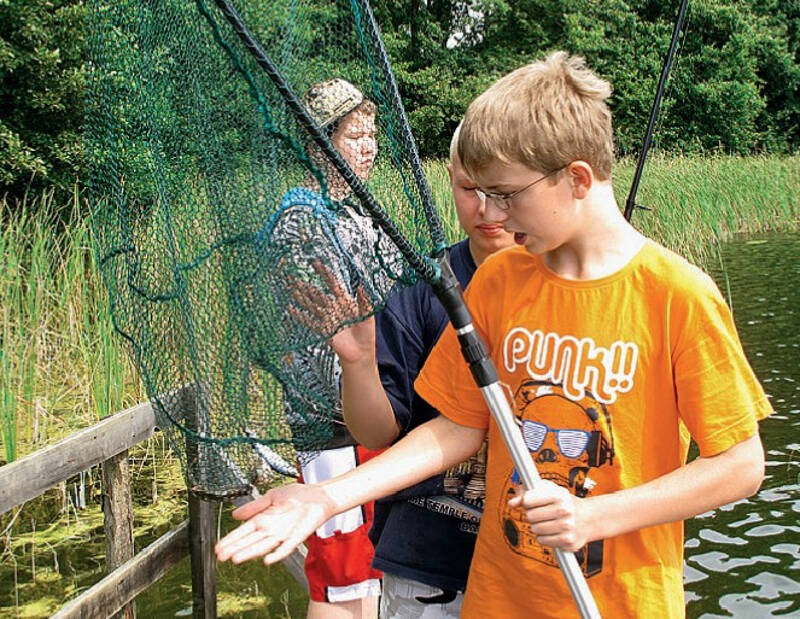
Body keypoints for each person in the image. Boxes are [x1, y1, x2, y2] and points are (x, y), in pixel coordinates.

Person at [220, 52, 770, 618]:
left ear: (576, 178)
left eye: (507, 195)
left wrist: (598, 517)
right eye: (480, 194)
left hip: (621, 603)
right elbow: (457, 426)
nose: (495, 216)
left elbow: (740, 465)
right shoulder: (501, 281)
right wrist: (329, 495)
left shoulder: (678, 294)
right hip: (498, 599)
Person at [328, 123, 514, 617]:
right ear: (448, 178)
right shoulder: (418, 292)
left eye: (503, 190)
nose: (486, 209)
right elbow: (375, 430)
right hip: (427, 567)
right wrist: (359, 365)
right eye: (469, 188)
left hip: (532, 566)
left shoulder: (562, 285)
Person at [261, 77, 387, 619]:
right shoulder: (302, 221)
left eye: (371, 133)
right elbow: (315, 339)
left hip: (375, 413)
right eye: (353, 134)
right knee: (341, 579)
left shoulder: (363, 214)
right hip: (332, 425)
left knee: (372, 572)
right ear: (319, 143)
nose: (368, 146)